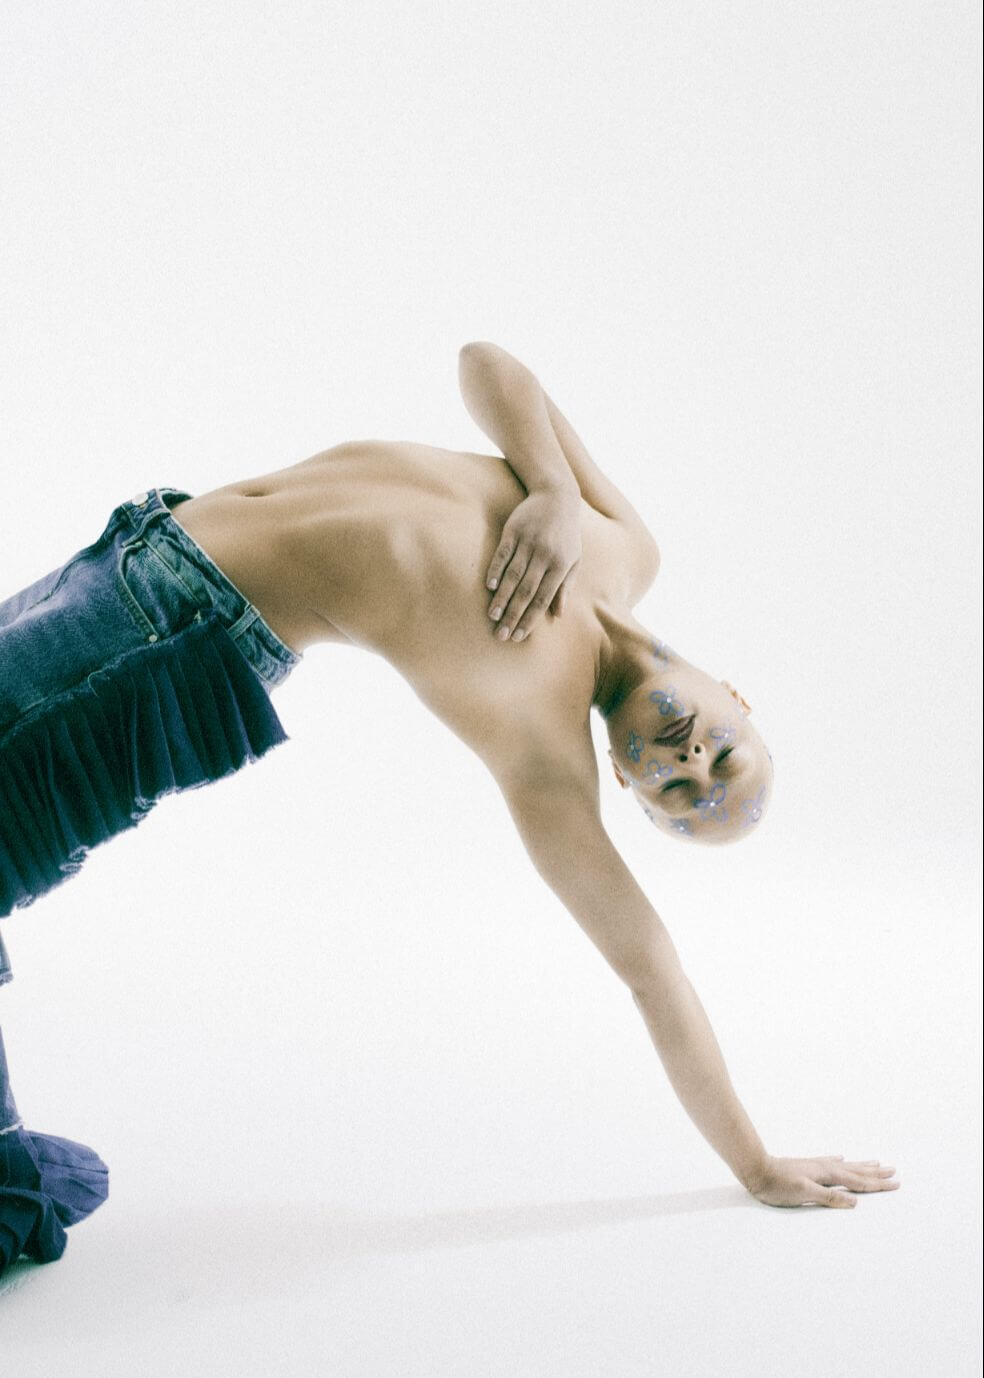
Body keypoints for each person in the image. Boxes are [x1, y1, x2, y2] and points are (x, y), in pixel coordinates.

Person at [0, 341, 898, 1276]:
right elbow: (488, 363)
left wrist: (755, 1163)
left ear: (626, 783)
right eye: (725, 756)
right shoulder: (625, 545)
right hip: (142, 538)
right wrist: (551, 492)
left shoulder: (543, 751)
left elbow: (653, 975)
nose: (691, 759)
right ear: (739, 700)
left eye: (678, 790)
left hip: (172, 638)